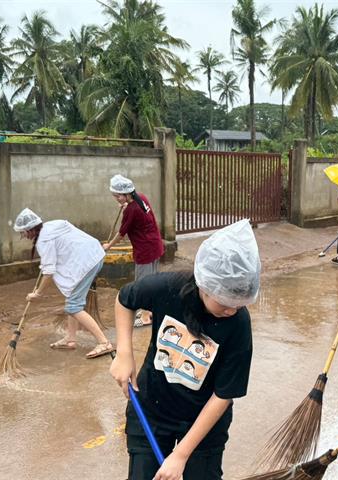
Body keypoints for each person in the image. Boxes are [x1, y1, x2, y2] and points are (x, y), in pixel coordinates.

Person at [110, 219, 260, 480]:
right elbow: (125, 299)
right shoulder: (168, 288)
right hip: (152, 408)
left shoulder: (238, 324)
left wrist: (181, 456)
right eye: (225, 302)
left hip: (203, 421)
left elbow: (223, 395)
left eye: (239, 303)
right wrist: (124, 353)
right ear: (204, 283)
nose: (231, 310)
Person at [13, 208, 114, 359]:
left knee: (73, 307)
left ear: (32, 229)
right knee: (72, 299)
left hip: (87, 263)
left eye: (24, 232)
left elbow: (49, 272)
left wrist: (37, 294)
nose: (23, 236)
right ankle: (70, 339)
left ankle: (104, 342)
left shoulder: (44, 240)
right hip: (95, 254)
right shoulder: (53, 225)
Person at [104, 174, 165, 328]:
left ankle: (145, 316)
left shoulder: (131, 210)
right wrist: (125, 205)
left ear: (126, 194)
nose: (116, 199)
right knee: (150, 280)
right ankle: (149, 310)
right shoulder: (141, 198)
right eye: (115, 196)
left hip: (145, 249)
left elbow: (121, 233)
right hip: (154, 244)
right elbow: (139, 213)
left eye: (118, 196)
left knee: (143, 284)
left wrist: (108, 246)